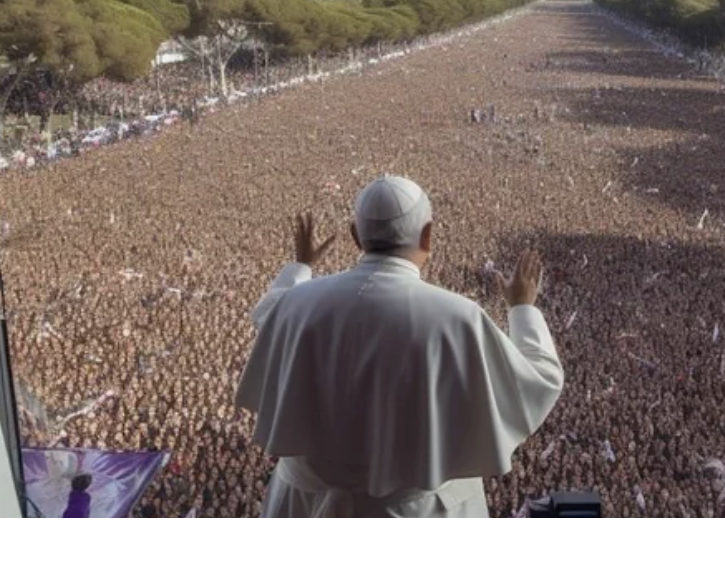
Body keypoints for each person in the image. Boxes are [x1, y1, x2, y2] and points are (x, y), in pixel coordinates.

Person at [235, 175, 564, 517]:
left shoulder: (295, 305)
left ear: (354, 236)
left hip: (303, 508)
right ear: (428, 235)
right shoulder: (458, 318)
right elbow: (539, 383)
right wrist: (523, 308)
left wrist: (301, 267)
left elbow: (268, 313)